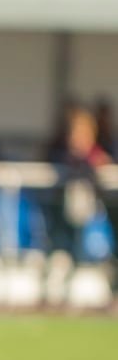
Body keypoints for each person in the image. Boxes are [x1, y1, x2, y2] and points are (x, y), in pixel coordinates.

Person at [39, 103, 110, 308]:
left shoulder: (94, 156)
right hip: (63, 215)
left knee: (91, 254)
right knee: (61, 253)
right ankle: (56, 295)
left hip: (87, 216)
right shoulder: (61, 153)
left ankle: (102, 294)